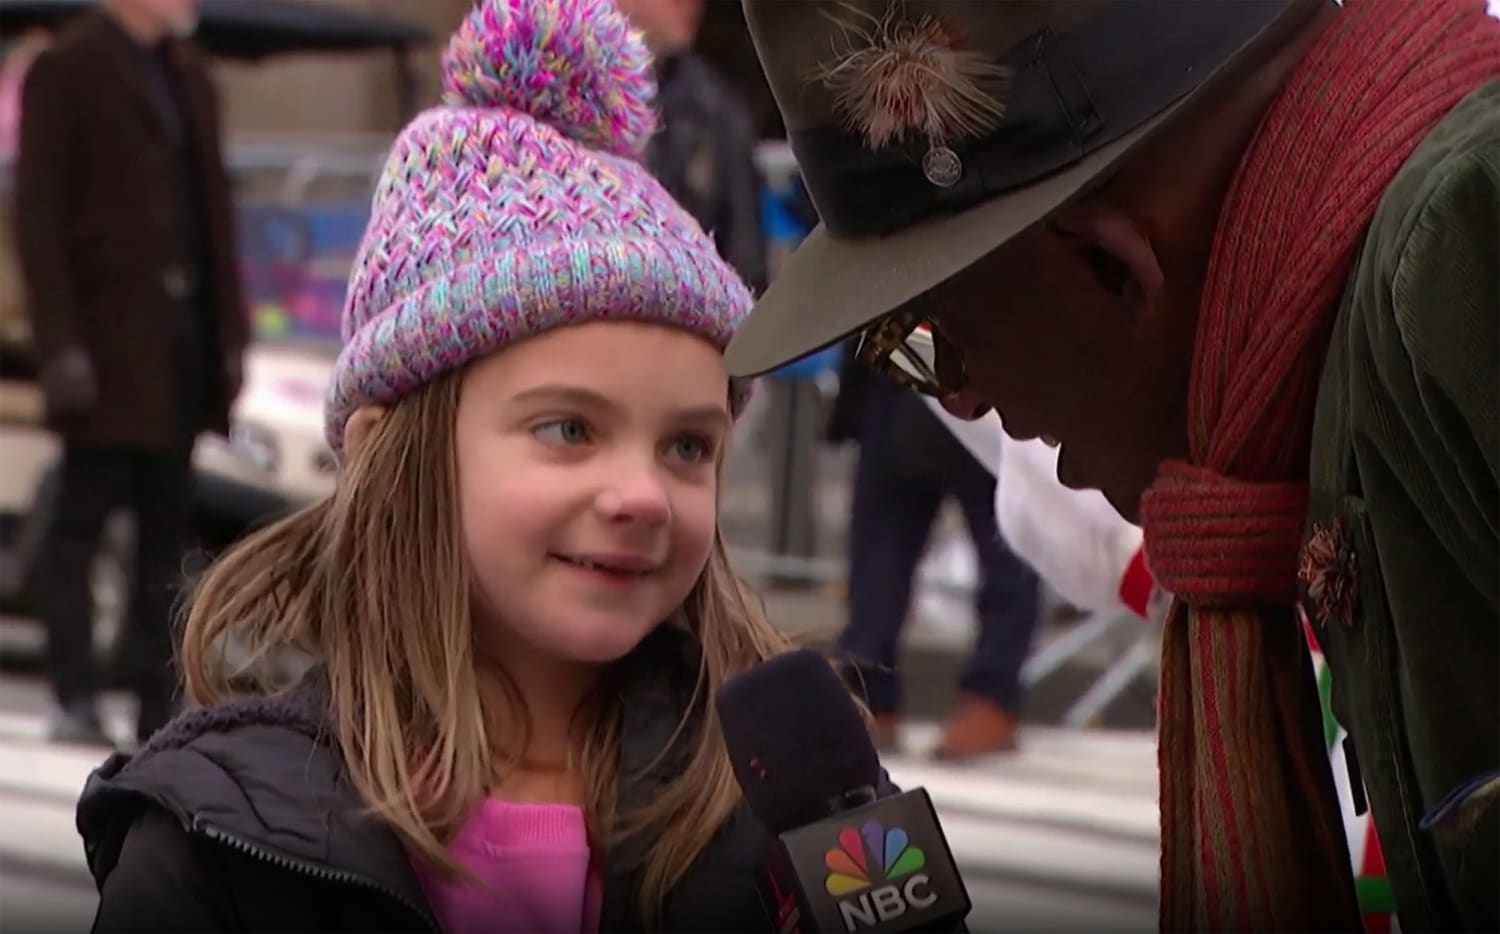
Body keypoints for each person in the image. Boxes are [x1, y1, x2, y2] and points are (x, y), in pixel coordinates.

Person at [74, 1, 892, 930]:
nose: (640, 496)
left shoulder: (792, 801)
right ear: (389, 451)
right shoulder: (217, 832)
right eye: (569, 430)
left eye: (687, 447)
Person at [725, 0, 1498, 930]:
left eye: (935, 340)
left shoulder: (1466, 253)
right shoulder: (1395, 313)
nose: (960, 405)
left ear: (1110, 269)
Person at [13, 0, 248, 746]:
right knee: (80, 520)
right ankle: (74, 689)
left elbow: (212, 213)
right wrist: (60, 346)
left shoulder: (188, 74)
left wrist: (230, 339)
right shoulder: (71, 66)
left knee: (164, 532)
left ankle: (156, 702)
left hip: (179, 348)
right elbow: (37, 214)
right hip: (106, 347)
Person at [829, 347, 1041, 758]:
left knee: (1009, 543)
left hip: (988, 358)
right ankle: (868, 694)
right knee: (878, 554)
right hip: (900, 350)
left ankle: (993, 696)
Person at [616, 0, 768, 293]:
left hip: (692, 310)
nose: (693, 4)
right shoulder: (567, 92)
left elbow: (746, 260)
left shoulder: (716, 108)